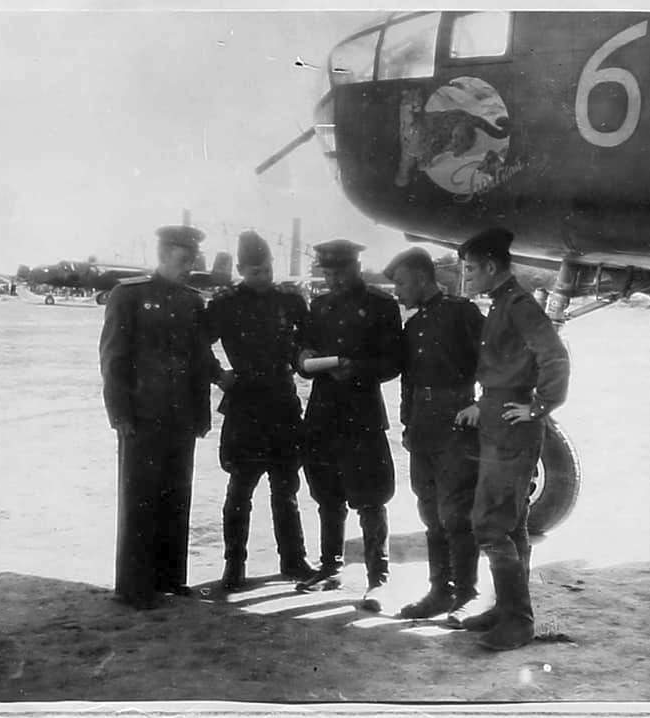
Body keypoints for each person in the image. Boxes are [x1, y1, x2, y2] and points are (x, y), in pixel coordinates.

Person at [453, 227, 570, 650]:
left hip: (513, 427)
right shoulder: (503, 303)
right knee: (512, 524)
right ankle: (507, 609)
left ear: (489, 267)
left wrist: (539, 406)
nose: (467, 277)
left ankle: (518, 620)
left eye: (470, 269)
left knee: (488, 524)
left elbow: (554, 356)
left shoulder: (519, 306)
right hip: (499, 421)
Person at [99, 225, 212, 610]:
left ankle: (169, 577)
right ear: (163, 255)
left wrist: (201, 413)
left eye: (192, 261)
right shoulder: (129, 295)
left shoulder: (192, 302)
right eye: (183, 261)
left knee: (176, 495)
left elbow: (199, 361)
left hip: (180, 416)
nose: (188, 268)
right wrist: (119, 414)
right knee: (139, 498)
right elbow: (113, 359)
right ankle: (133, 587)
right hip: (142, 415)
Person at [205, 230, 317, 590]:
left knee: (286, 488)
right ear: (240, 269)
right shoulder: (224, 304)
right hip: (244, 404)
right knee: (240, 490)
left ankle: (294, 561)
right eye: (254, 272)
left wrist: (303, 358)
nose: (263, 277)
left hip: (283, 403)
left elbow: (307, 341)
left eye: (267, 270)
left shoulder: (290, 301)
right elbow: (195, 342)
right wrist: (217, 374)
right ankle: (233, 567)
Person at [296, 239, 403, 612]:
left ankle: (378, 580)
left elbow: (393, 362)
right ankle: (330, 567)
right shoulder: (319, 306)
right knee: (327, 495)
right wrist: (304, 357)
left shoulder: (381, 306)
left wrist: (357, 369)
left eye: (340, 271)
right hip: (324, 415)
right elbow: (303, 351)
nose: (334, 279)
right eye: (327, 272)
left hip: (362, 417)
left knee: (370, 498)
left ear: (357, 267)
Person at [382, 247, 485, 625]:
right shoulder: (413, 326)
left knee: (456, 513)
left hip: (456, 422)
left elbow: (495, 359)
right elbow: (409, 381)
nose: (397, 291)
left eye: (402, 282)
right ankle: (440, 591)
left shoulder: (462, 313)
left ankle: (467, 593)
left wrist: (484, 403)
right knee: (430, 512)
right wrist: (408, 425)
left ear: (423, 279)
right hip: (423, 428)